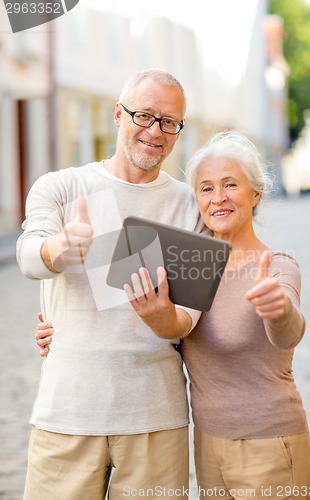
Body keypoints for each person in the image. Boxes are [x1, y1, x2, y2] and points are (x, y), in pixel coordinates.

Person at [34, 133, 310, 497]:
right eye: (206, 188)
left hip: (268, 440)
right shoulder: (192, 264)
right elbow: (145, 319)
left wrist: (278, 310)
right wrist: (60, 327)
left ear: (255, 193)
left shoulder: (275, 266)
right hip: (209, 445)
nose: (218, 198)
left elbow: (289, 331)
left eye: (231, 185)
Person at [16, 68, 204, 500]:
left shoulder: (190, 206)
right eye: (144, 115)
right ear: (118, 115)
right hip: (67, 413)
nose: (156, 131)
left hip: (155, 420)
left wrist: (165, 321)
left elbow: (189, 319)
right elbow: (30, 254)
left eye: (169, 122)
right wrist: (58, 250)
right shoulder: (62, 187)